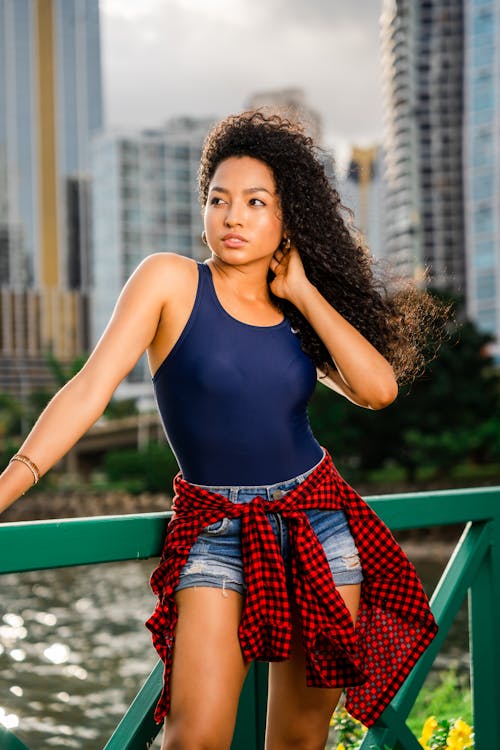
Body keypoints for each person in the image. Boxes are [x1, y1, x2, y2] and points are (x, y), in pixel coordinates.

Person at [0, 111, 441, 750]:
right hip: (215, 527)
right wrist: (11, 483)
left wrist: (305, 292)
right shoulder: (171, 282)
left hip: (318, 518)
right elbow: (90, 389)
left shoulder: (295, 315)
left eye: (256, 202)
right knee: (196, 735)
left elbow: (378, 390)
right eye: (219, 199)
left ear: (287, 219)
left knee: (299, 736)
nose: (233, 216)